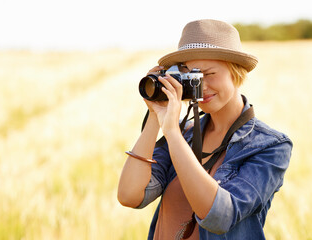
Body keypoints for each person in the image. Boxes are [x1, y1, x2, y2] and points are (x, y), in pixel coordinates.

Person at [117, 19, 292, 240]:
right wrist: (156, 114)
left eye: (208, 74)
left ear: (235, 72)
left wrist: (172, 132)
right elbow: (129, 195)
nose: (202, 87)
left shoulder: (269, 146)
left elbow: (220, 217)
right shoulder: (185, 135)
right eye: (191, 77)